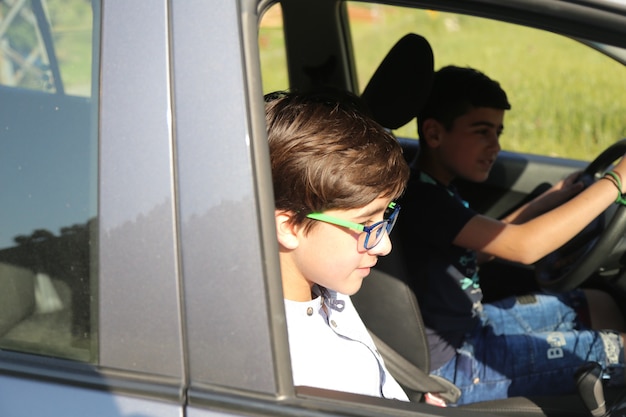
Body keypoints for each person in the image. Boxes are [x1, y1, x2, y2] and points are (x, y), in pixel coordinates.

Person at [399, 65, 626, 404]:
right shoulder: (424, 200)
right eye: (482, 132)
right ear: (434, 134)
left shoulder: (435, 189)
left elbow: (485, 247)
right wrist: (616, 183)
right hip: (456, 366)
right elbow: (524, 248)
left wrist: (550, 199)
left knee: (598, 302)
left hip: (473, 324)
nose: (495, 146)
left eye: (498, 132)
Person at [265, 90, 410, 400]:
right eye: (366, 224)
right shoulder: (291, 370)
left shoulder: (326, 289)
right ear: (289, 227)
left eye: (385, 217)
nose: (384, 245)